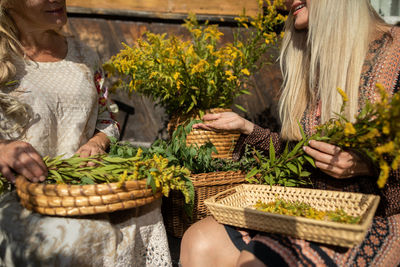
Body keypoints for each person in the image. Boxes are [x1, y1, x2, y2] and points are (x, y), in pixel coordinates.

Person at [180, 0, 400, 266]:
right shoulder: (314, 58)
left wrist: (369, 166)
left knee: (259, 258)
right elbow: (305, 153)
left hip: (380, 219)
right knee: (199, 240)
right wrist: (247, 128)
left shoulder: (396, 51)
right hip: (312, 211)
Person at [0, 0, 172, 266]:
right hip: (20, 198)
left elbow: (108, 121)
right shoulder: (3, 59)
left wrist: (98, 142)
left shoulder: (85, 56)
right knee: (79, 237)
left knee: (147, 211)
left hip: (87, 192)